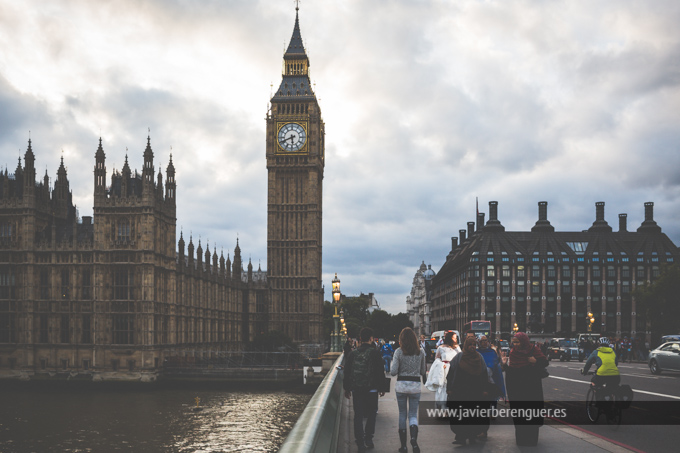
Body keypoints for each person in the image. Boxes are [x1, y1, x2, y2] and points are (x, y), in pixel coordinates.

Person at [501, 332, 548, 447]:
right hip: (518, 390)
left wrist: (535, 361)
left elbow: (545, 362)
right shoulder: (513, 353)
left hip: (532, 389)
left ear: (523, 341)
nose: (515, 345)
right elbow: (512, 372)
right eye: (514, 342)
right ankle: (521, 439)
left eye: (517, 342)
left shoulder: (534, 349)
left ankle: (532, 440)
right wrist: (504, 365)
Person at [344, 327, 386, 452]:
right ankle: (369, 438)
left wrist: (347, 388)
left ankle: (360, 442)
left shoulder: (353, 354)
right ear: (371, 339)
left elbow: (347, 371)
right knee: (372, 413)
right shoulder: (375, 352)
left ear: (360, 339)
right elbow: (380, 371)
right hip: (372, 388)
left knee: (358, 415)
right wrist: (382, 387)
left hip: (357, 389)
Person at [446, 336, 494, 445]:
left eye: (474, 345)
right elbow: (451, 373)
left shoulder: (479, 357)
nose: (472, 347)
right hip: (460, 391)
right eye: (470, 345)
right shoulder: (459, 357)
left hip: (475, 391)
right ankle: (461, 436)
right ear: (466, 346)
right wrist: (449, 388)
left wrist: (485, 389)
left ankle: (472, 435)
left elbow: (483, 374)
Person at [390, 327, 426, 453]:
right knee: (412, 415)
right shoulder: (420, 352)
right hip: (415, 386)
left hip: (401, 386)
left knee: (402, 414)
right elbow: (422, 371)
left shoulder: (398, 352)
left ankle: (403, 446)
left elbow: (393, 372)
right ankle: (413, 439)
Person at [425, 331, 460, 408]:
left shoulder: (457, 347)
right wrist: (441, 364)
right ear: (449, 338)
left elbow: (460, 358)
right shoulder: (441, 348)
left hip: (454, 370)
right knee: (444, 387)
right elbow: (436, 359)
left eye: (456, 338)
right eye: (454, 337)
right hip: (444, 370)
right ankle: (442, 407)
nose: (455, 339)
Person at [478, 335, 506, 407]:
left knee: (493, 396)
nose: (484, 342)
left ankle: (493, 413)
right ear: (479, 342)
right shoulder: (477, 352)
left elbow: (496, 364)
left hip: (492, 379)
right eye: (482, 341)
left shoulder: (492, 352)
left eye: (485, 340)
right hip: (481, 379)